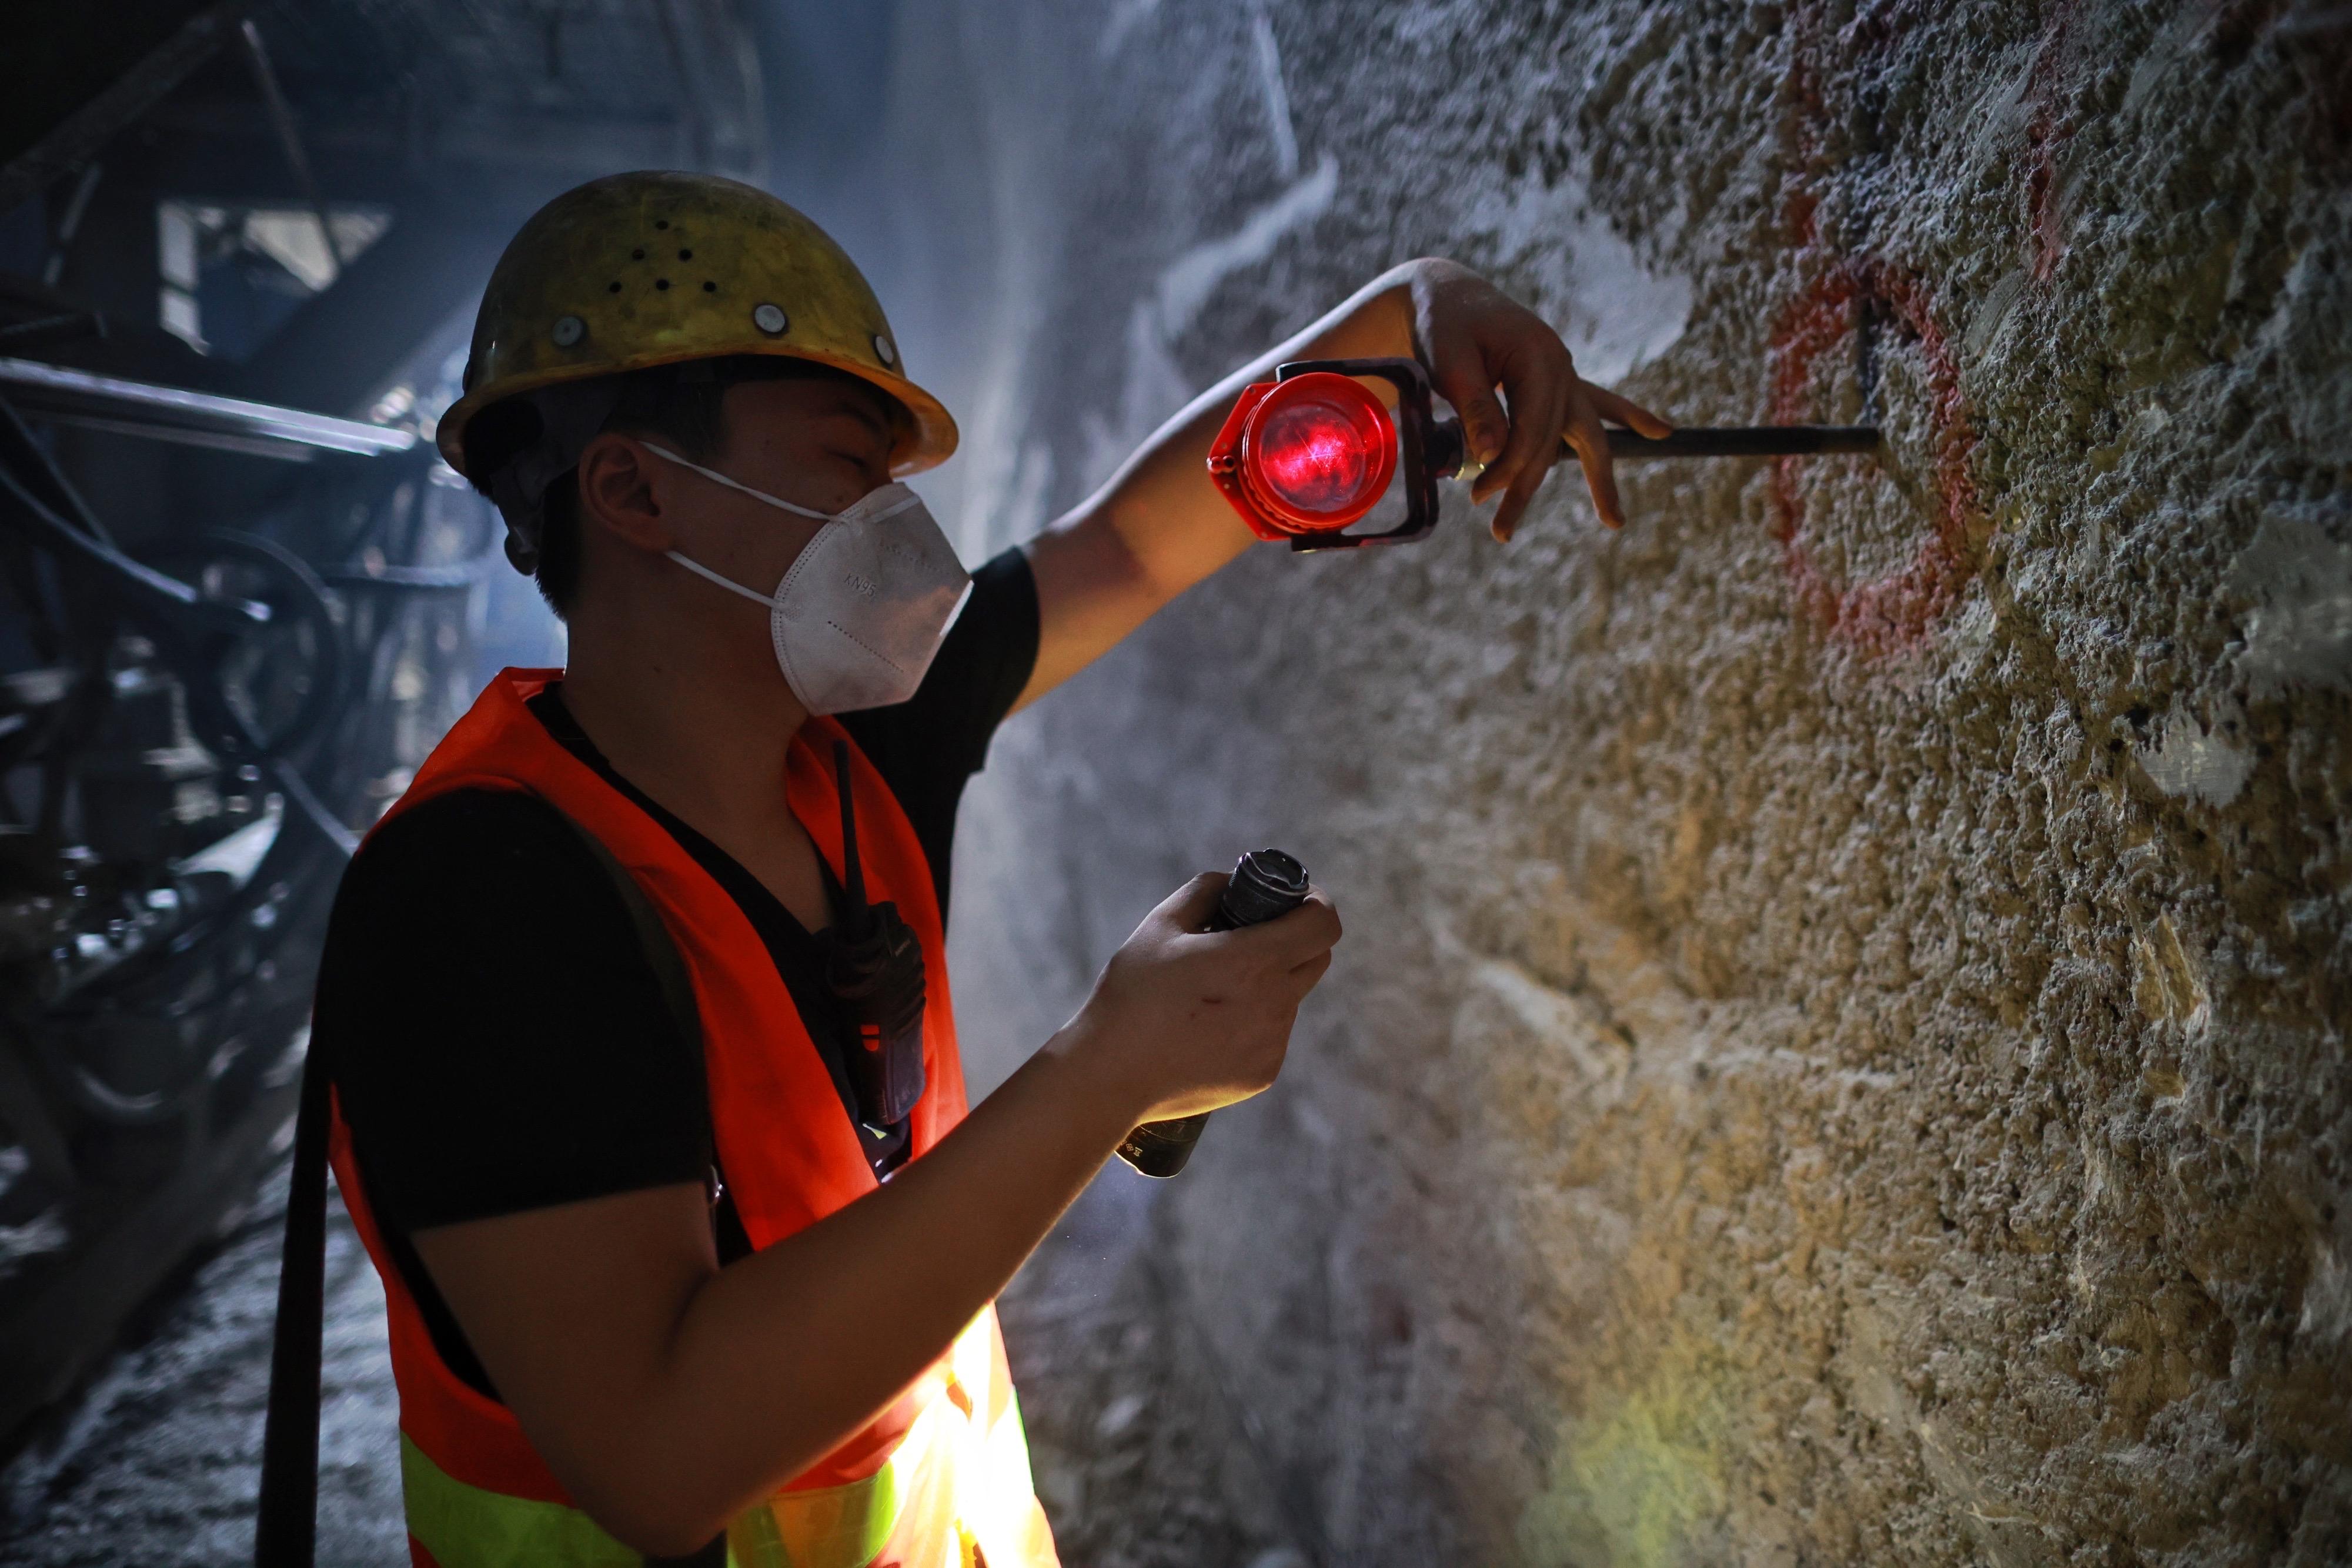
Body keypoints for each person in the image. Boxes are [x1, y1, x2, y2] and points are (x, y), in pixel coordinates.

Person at [311, 170, 1665, 1567]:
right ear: (636, 488)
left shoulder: (854, 754)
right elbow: (661, 1458)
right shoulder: (475, 903)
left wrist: (1411, 307)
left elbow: (1133, 539)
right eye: (849, 464)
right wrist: (1107, 1068)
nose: (899, 523)